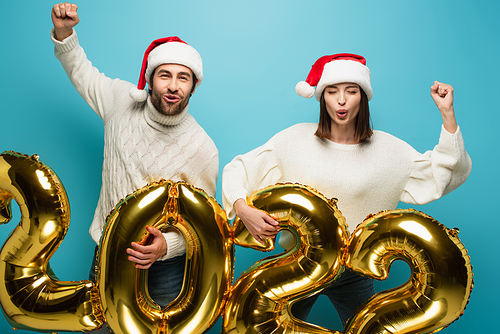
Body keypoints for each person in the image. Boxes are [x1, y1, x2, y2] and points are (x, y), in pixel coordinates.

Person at [221, 53, 471, 327]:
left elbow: (445, 172)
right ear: (322, 97)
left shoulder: (390, 150)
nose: (341, 100)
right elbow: (238, 169)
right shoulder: (294, 139)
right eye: (332, 91)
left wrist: (448, 113)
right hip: (299, 265)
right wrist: (243, 209)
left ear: (362, 97)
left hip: (355, 270)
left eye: (351, 91)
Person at [51, 3, 218, 332]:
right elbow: (81, 72)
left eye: (183, 78)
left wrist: (166, 247)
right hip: (108, 254)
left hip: (165, 271)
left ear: (193, 86)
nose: (173, 86)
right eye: (165, 75)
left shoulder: (202, 148)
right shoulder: (119, 103)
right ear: (150, 79)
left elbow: (204, 225)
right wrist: (64, 32)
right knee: (98, 329)